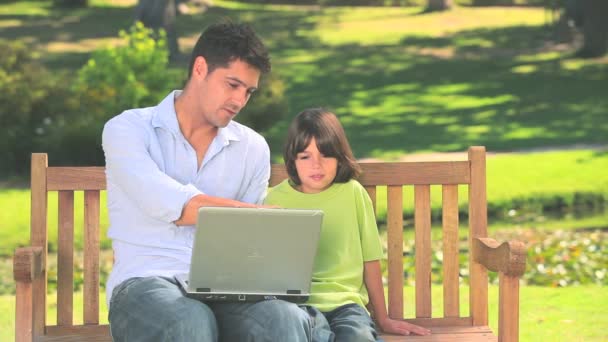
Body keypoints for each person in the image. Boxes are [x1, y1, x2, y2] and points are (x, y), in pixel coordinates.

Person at [102, 21, 312, 342]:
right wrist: (256, 216)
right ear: (200, 68)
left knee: (283, 319)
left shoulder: (252, 148)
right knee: (189, 319)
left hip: (226, 289)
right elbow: (174, 205)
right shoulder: (128, 130)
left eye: (249, 91)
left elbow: (247, 243)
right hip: (145, 283)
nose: (240, 101)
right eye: (232, 85)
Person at [264, 108, 432, 341]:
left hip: (347, 304)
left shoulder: (353, 193)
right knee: (316, 336)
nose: (317, 165)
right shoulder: (275, 200)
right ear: (292, 159)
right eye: (305, 156)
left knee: (360, 336)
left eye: (326, 155)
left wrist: (382, 318)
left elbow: (370, 260)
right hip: (299, 307)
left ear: (339, 156)